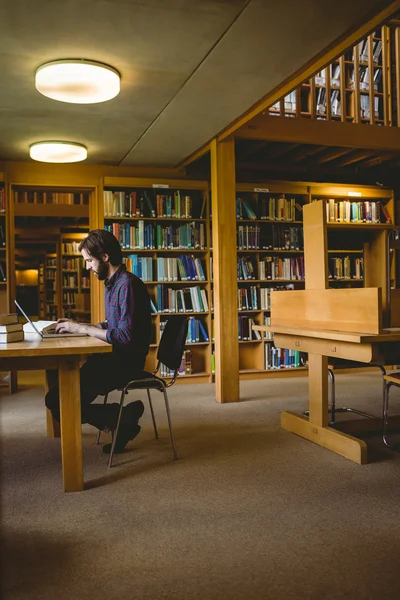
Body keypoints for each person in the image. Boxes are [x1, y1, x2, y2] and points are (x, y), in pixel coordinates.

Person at [45, 229, 152, 454]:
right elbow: (113, 325)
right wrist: (82, 326)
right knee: (58, 398)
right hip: (111, 358)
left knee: (57, 401)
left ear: (105, 257)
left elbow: (124, 335)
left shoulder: (127, 285)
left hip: (124, 363)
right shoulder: (112, 284)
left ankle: (121, 418)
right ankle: (123, 419)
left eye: (89, 261)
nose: (87, 267)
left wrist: (81, 328)